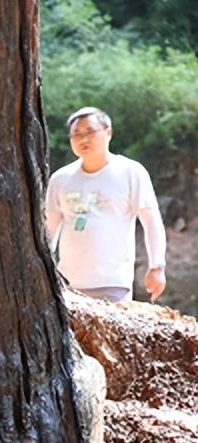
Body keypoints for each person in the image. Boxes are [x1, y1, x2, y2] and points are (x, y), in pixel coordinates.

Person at [45, 106, 167, 303]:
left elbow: (151, 222)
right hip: (67, 284)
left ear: (108, 133)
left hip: (113, 283)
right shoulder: (60, 179)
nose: (83, 139)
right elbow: (49, 231)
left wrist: (157, 266)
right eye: (76, 134)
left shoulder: (130, 172)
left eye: (90, 132)